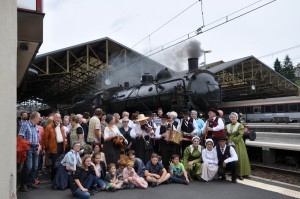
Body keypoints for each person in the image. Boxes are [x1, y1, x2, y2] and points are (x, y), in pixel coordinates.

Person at [18, 111, 41, 192]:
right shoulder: (25, 124)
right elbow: (20, 137)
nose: (40, 119)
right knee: (28, 167)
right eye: (39, 118)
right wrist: (25, 146)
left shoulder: (36, 126)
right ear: (35, 118)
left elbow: (37, 138)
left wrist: (39, 145)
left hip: (35, 147)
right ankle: (23, 184)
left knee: (35, 166)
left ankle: (30, 183)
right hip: (28, 148)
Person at [226, 112, 251, 180]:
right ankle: (233, 172)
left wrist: (234, 140)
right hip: (230, 142)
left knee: (240, 157)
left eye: (234, 117)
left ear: (236, 118)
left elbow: (240, 134)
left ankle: (241, 173)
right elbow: (226, 134)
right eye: (231, 117)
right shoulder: (227, 126)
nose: (232, 118)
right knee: (231, 157)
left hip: (238, 143)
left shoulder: (239, 125)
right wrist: (228, 140)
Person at [44, 112, 67, 180]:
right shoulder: (49, 127)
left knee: (61, 163)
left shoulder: (61, 126)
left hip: (61, 146)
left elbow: (63, 137)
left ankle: (59, 178)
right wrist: (48, 148)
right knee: (54, 163)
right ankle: (54, 178)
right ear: (53, 118)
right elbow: (45, 139)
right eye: (57, 117)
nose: (58, 119)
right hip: (54, 147)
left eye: (59, 117)